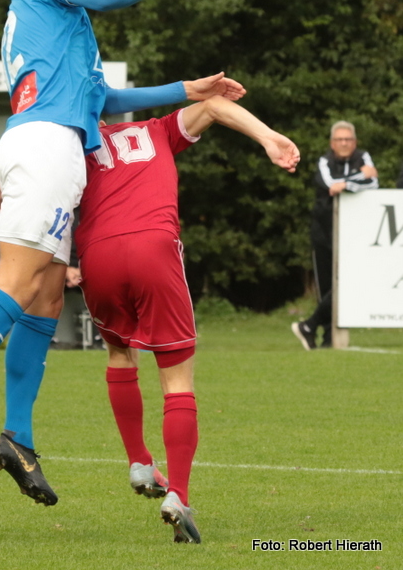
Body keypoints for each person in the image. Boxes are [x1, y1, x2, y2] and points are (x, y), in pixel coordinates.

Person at [0, 0, 242, 505]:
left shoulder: (64, 30)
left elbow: (105, 100)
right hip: (46, 148)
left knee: (44, 299)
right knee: (17, 286)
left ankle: (18, 438)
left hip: (51, 150)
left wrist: (184, 90)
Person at [71, 98, 299, 544]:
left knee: (119, 353)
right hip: (152, 247)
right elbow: (213, 105)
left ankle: (139, 461)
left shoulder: (75, 147)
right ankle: (178, 494)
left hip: (97, 254)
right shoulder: (156, 129)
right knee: (176, 379)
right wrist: (269, 138)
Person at [292, 120, 378, 350]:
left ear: (355, 142)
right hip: (324, 232)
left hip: (354, 232)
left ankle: (310, 326)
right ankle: (325, 338)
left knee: (348, 281)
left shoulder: (364, 157)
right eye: (340, 139)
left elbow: (373, 182)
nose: (344, 143)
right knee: (326, 285)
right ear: (332, 143)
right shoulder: (324, 161)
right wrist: (357, 178)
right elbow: (330, 185)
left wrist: (347, 183)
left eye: (348, 139)